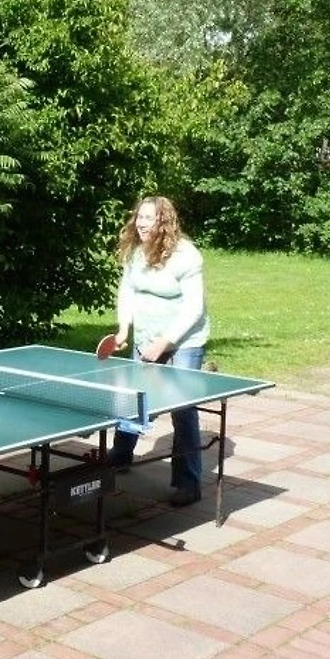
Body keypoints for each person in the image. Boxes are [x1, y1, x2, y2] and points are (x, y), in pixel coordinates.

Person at [106, 195, 211, 507]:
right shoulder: (137, 253)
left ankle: (188, 482)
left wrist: (164, 343)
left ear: (163, 222)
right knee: (135, 398)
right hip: (146, 336)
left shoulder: (186, 256)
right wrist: (124, 328)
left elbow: (194, 307)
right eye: (139, 217)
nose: (140, 223)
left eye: (148, 218)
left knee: (183, 408)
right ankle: (120, 455)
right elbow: (127, 291)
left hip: (184, 341)